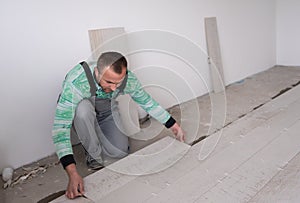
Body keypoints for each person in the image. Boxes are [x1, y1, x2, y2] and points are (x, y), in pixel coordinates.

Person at [52, 51, 185, 199]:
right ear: (97, 71)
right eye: (109, 82)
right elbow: (60, 129)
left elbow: (147, 102)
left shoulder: (128, 79)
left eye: (118, 83)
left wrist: (173, 125)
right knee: (83, 112)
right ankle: (92, 153)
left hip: (105, 107)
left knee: (119, 153)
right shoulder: (76, 82)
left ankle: (96, 128)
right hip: (82, 107)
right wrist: (72, 173)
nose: (114, 88)